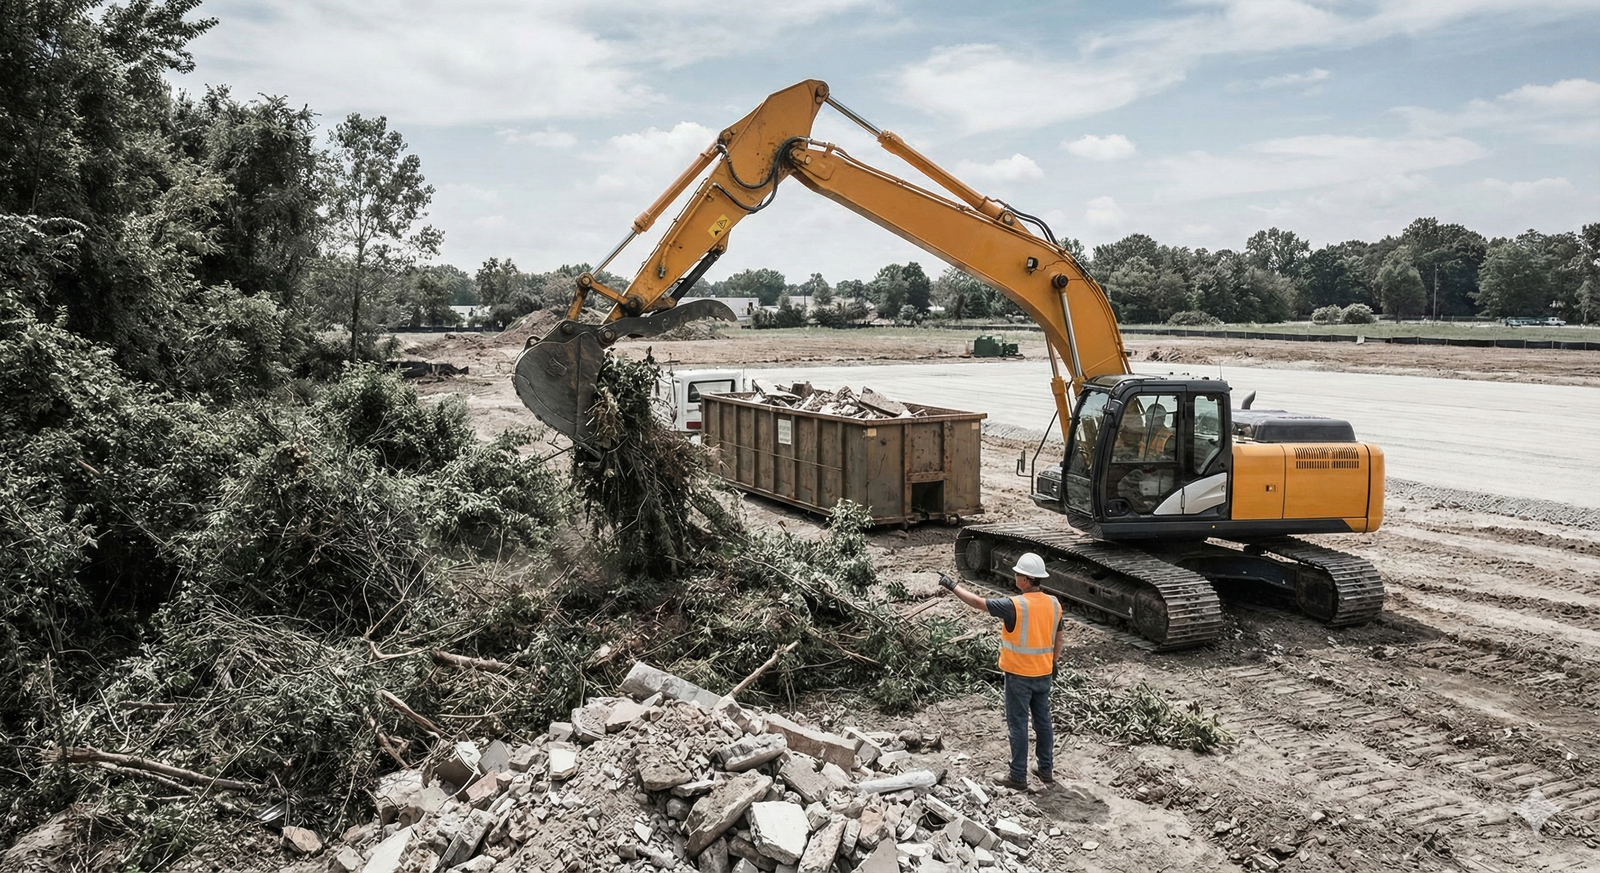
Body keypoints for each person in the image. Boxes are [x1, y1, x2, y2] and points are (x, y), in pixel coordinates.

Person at [940, 554, 1064, 790]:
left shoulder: (1015, 605)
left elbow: (978, 603)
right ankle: (1045, 770)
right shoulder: (1055, 603)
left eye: (1018, 574)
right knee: (1043, 721)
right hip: (1044, 673)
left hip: (1019, 676)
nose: (1015, 576)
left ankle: (1018, 775)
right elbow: (1059, 636)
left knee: (1018, 724)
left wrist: (953, 586)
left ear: (1026, 580)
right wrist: (1054, 661)